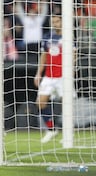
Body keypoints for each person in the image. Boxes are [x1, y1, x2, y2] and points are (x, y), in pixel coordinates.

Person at [34, 14, 74, 143]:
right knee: (40, 102)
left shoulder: (69, 36)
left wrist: (70, 73)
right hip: (49, 76)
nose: (55, 23)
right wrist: (39, 73)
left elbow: (74, 55)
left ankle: (68, 134)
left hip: (63, 76)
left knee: (67, 104)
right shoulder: (47, 37)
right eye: (53, 21)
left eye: (57, 21)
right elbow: (44, 56)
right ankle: (51, 129)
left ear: (63, 22)